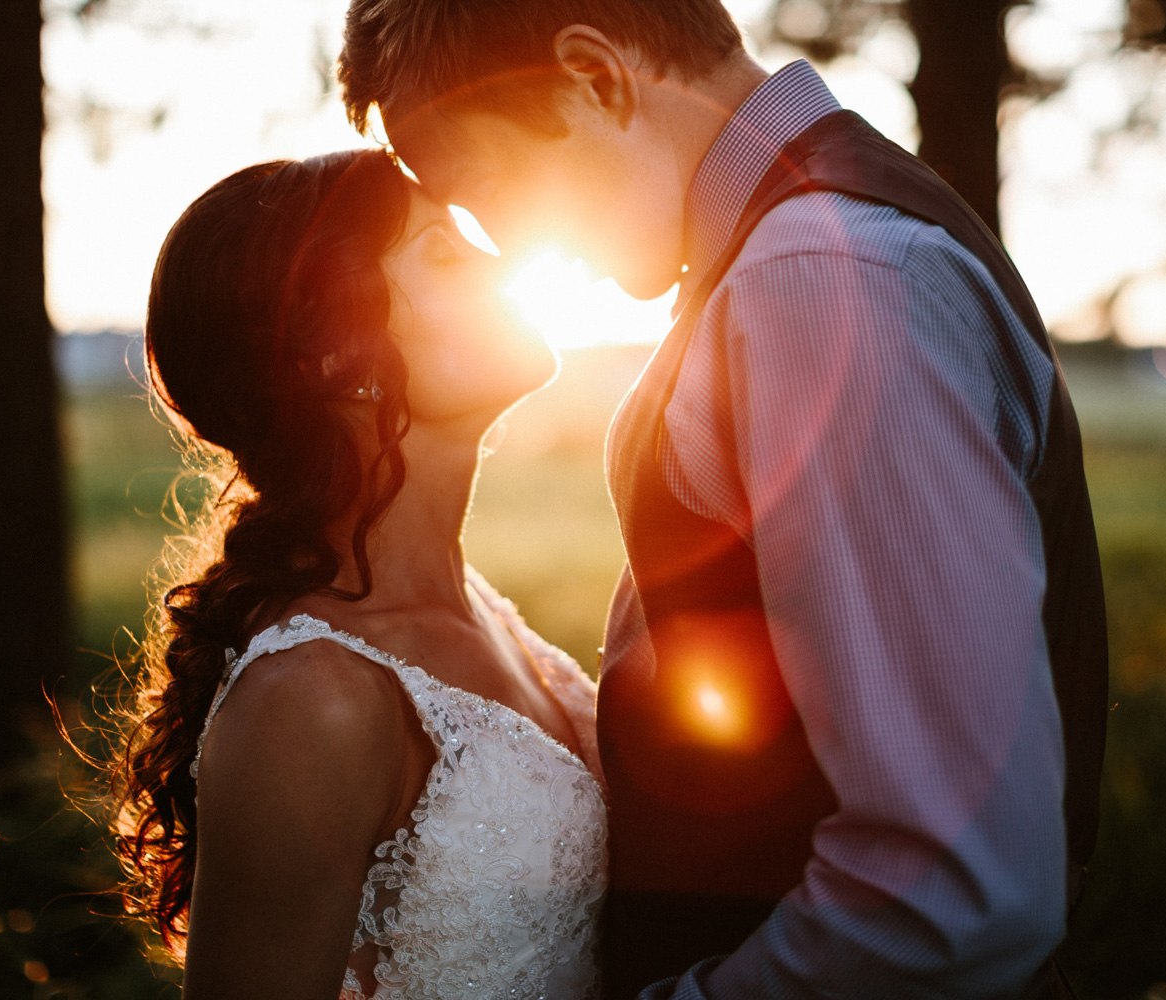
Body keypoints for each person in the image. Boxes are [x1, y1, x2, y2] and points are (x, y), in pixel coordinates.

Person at [338, 1, 1108, 999]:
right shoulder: (786, 260)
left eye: (487, 188)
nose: (507, 247)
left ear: (598, 77)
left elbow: (953, 890)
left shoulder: (821, 279)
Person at [109, 149, 608, 1000]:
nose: (504, 260)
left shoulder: (477, 603)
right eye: (448, 253)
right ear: (332, 359)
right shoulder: (312, 697)